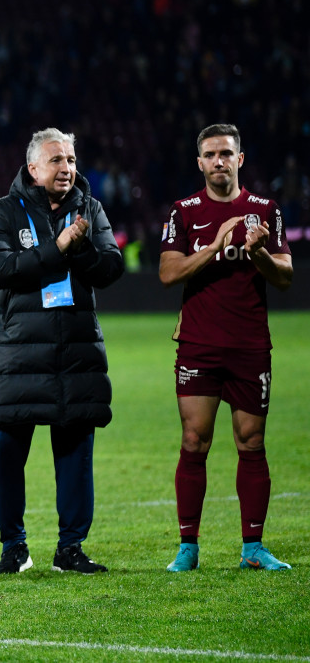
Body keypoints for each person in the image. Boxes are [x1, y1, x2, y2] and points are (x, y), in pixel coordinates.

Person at [0, 128, 124, 575]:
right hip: (15, 356)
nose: (68, 169)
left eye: (72, 160)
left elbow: (111, 266)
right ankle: (14, 548)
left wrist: (77, 252)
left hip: (74, 353)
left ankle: (71, 549)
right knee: (6, 452)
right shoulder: (2, 213)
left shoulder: (90, 209)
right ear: (34, 167)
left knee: (76, 454)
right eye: (57, 160)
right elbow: (0, 268)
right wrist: (58, 248)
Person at [158, 123, 294, 572]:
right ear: (199, 163)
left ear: (240, 159)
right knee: (194, 441)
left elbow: (285, 277)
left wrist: (257, 255)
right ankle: (188, 548)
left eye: (226, 153)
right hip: (199, 344)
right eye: (211, 154)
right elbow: (168, 273)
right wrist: (216, 245)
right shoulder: (183, 211)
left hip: (250, 344)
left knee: (251, 442)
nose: (219, 160)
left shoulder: (265, 210)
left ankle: (253, 548)